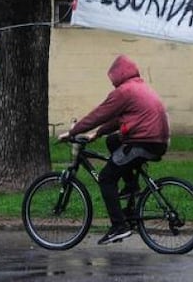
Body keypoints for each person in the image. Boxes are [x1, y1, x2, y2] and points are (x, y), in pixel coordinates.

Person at [58, 54, 169, 245]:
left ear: (119, 74)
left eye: (113, 79)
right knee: (112, 141)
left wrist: (72, 132)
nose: (112, 84)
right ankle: (131, 186)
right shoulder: (139, 87)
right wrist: (98, 134)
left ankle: (119, 226)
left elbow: (100, 114)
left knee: (106, 178)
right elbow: (119, 120)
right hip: (155, 140)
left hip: (143, 142)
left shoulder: (124, 91)